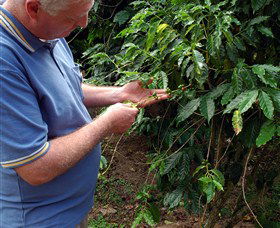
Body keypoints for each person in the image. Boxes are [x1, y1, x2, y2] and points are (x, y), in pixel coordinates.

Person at [0, 0, 169, 227]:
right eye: (73, 18)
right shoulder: (5, 62)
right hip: (41, 219)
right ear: (33, 8)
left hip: (70, 209)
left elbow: (63, 88)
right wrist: (106, 123)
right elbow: (35, 167)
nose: (84, 24)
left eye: (86, 13)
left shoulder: (45, 28)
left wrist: (118, 94)